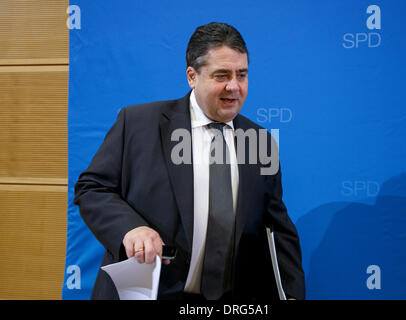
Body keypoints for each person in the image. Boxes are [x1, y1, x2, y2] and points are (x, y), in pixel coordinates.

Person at [74, 22, 305, 300]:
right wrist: (130, 228)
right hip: (145, 293)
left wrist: (290, 293)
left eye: (241, 75)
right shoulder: (138, 124)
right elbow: (92, 188)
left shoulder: (259, 140)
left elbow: (275, 225)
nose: (234, 86)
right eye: (222, 75)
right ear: (192, 76)